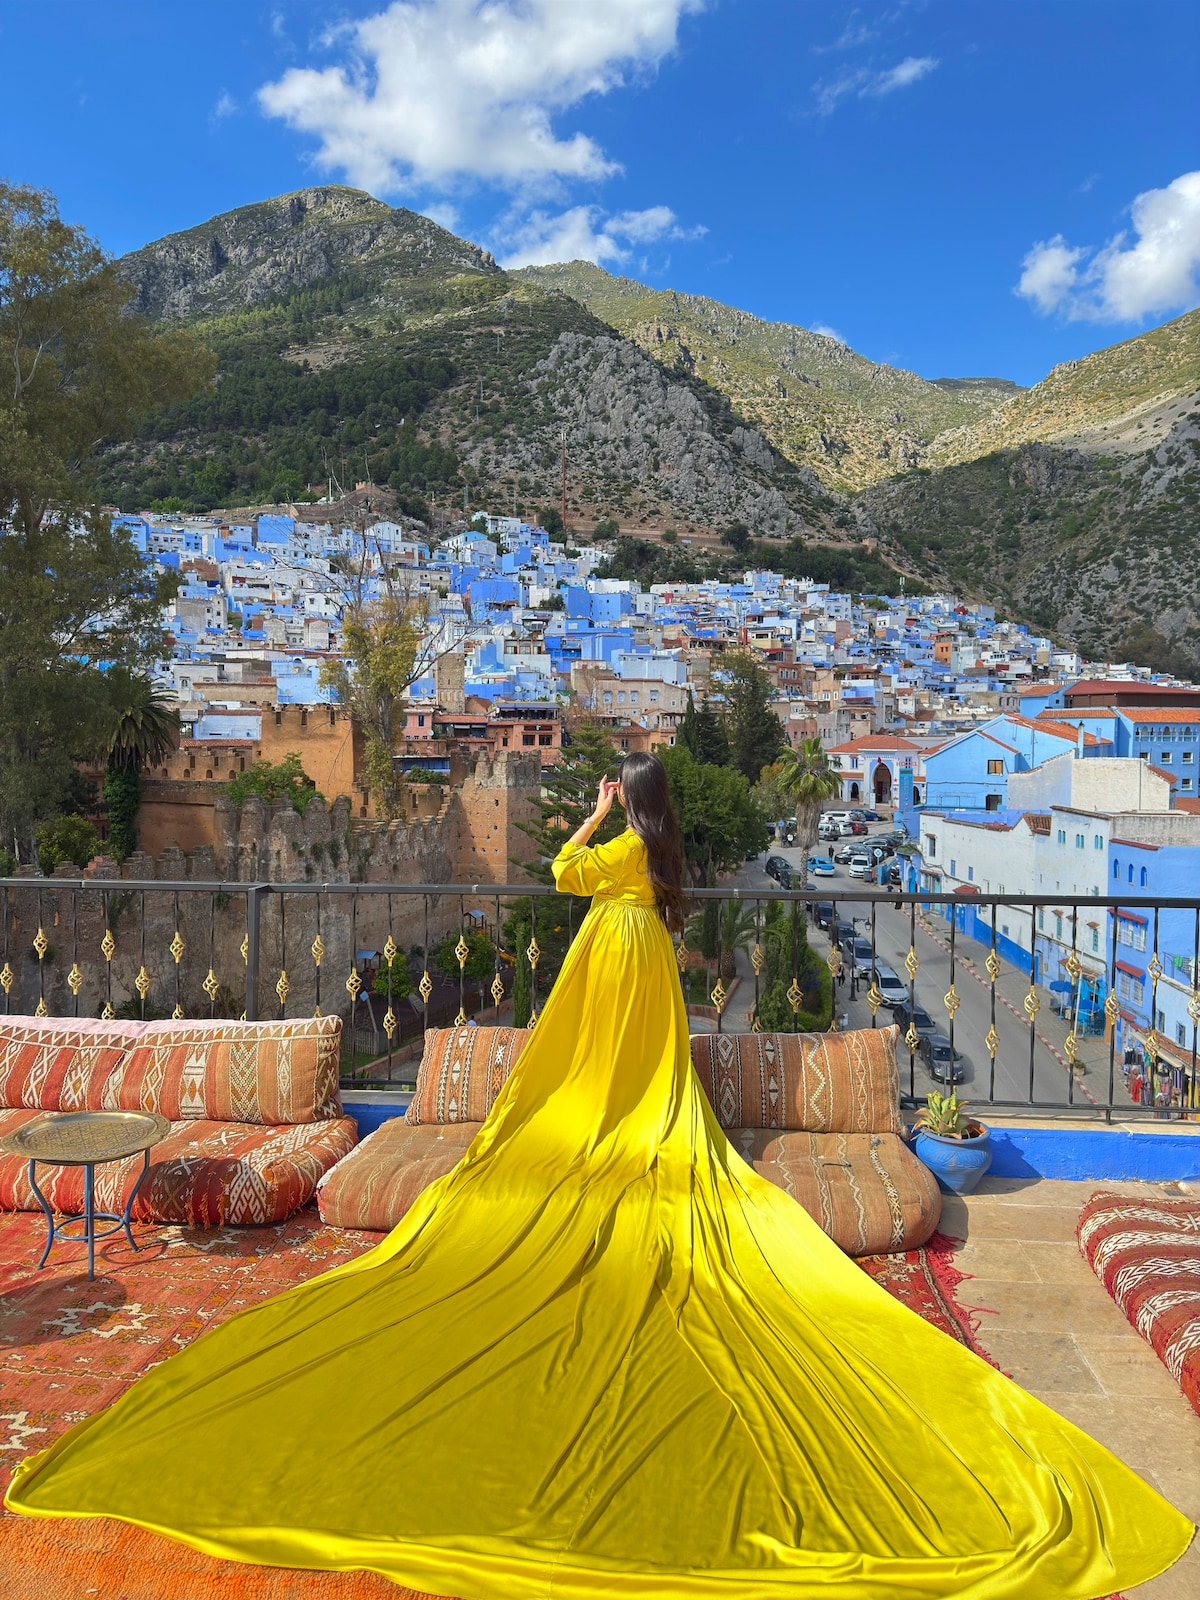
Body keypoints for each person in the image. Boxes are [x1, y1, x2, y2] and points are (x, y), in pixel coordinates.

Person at [7, 752, 1192, 1597]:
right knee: (645, 1096)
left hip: (602, 965)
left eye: (624, 791)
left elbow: (564, 877)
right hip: (647, 976)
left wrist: (585, 813)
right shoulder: (663, 861)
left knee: (579, 1095)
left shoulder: (614, 847)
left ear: (632, 802)